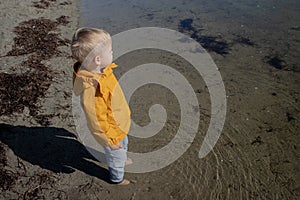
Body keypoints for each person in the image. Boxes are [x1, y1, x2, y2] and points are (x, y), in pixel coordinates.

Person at [71, 27, 132, 185]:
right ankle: (117, 178)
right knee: (116, 153)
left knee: (123, 144)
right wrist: (110, 140)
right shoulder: (91, 89)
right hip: (110, 130)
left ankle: (120, 156)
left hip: (118, 121)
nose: (113, 53)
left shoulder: (101, 70)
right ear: (98, 59)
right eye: (110, 51)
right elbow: (96, 120)